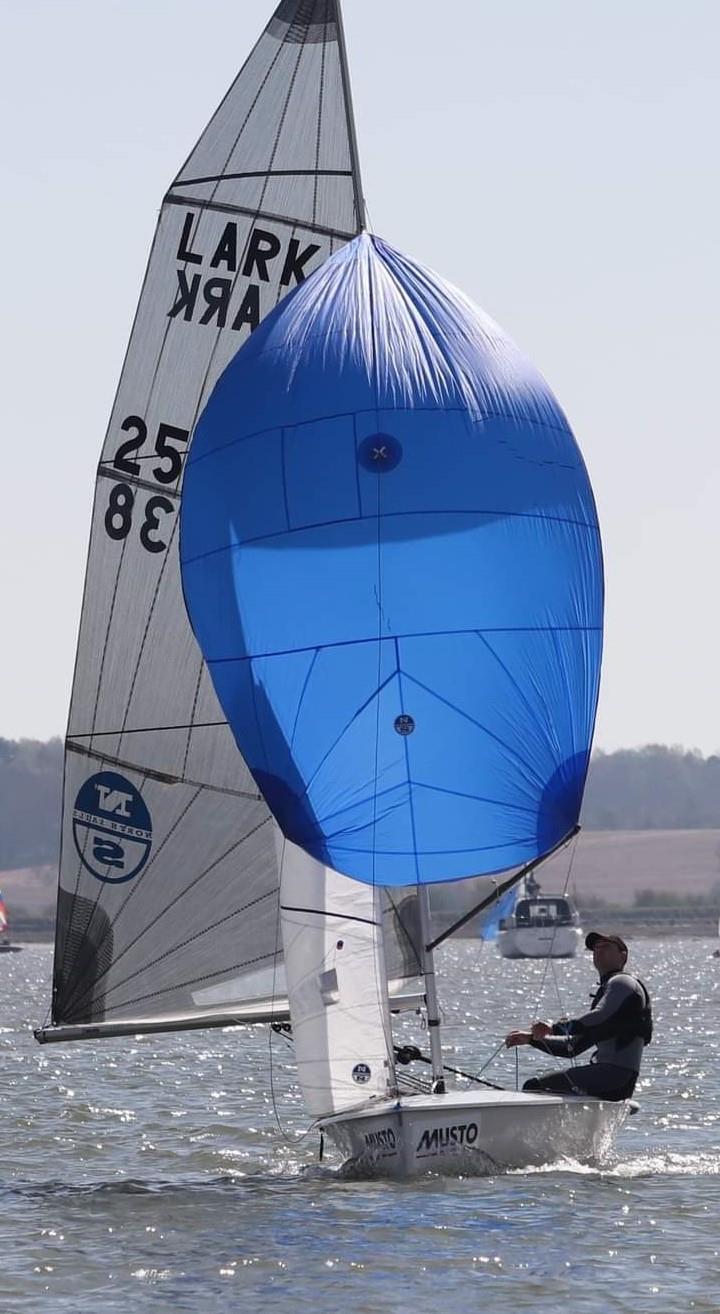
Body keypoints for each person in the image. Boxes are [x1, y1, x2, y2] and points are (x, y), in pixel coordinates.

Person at [505, 931, 652, 1101]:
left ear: (623, 956)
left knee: (534, 1087)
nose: (599, 951)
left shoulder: (622, 983)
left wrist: (553, 1028)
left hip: (613, 1076)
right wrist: (531, 1039)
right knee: (548, 1090)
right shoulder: (611, 996)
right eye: (595, 949)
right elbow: (572, 1047)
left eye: (606, 947)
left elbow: (599, 1014)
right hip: (614, 1081)